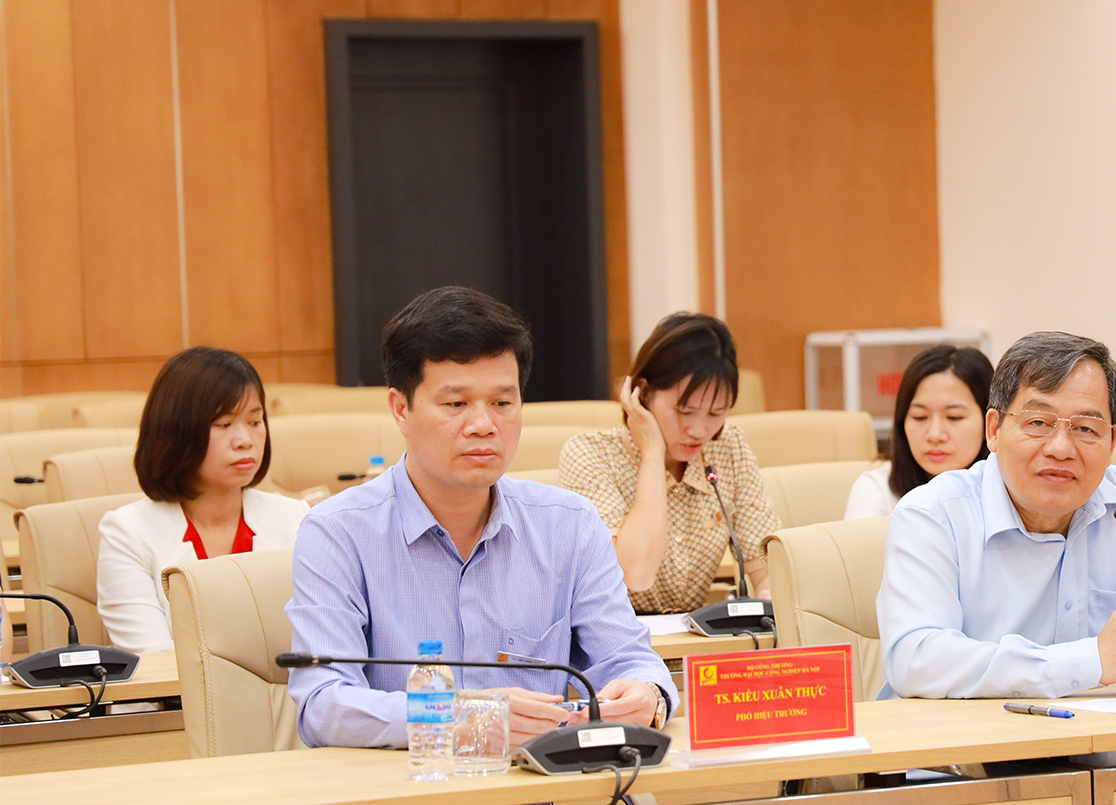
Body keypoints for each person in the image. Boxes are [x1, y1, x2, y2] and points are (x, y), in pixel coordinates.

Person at [287, 286, 675, 759]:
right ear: (401, 409)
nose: (483, 425)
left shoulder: (570, 525)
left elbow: (630, 658)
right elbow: (322, 703)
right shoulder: (338, 533)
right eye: (455, 405)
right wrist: (463, 719)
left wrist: (647, 695)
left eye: (502, 403)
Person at [877, 331, 1116, 700]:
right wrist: (1090, 660)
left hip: (1099, 745)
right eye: (1038, 423)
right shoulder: (932, 516)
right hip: (958, 751)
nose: (1060, 448)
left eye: (1085, 429)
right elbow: (916, 659)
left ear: (1112, 441)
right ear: (993, 430)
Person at [558, 313, 780, 614]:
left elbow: (766, 566)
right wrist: (651, 453)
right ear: (643, 393)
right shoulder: (590, 455)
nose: (699, 431)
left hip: (693, 645)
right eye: (684, 412)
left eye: (716, 413)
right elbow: (635, 574)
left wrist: (769, 591)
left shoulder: (728, 449)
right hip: (609, 645)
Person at [96, 348, 309, 654]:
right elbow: (153, 657)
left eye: (255, 422)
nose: (245, 440)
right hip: (172, 701)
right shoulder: (127, 532)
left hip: (282, 700)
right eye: (224, 425)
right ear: (177, 432)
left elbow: (316, 641)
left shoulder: (294, 518)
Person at [844, 345, 992, 519]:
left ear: (990, 424)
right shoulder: (877, 492)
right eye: (920, 417)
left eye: (954, 417)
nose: (935, 435)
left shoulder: (1011, 493)